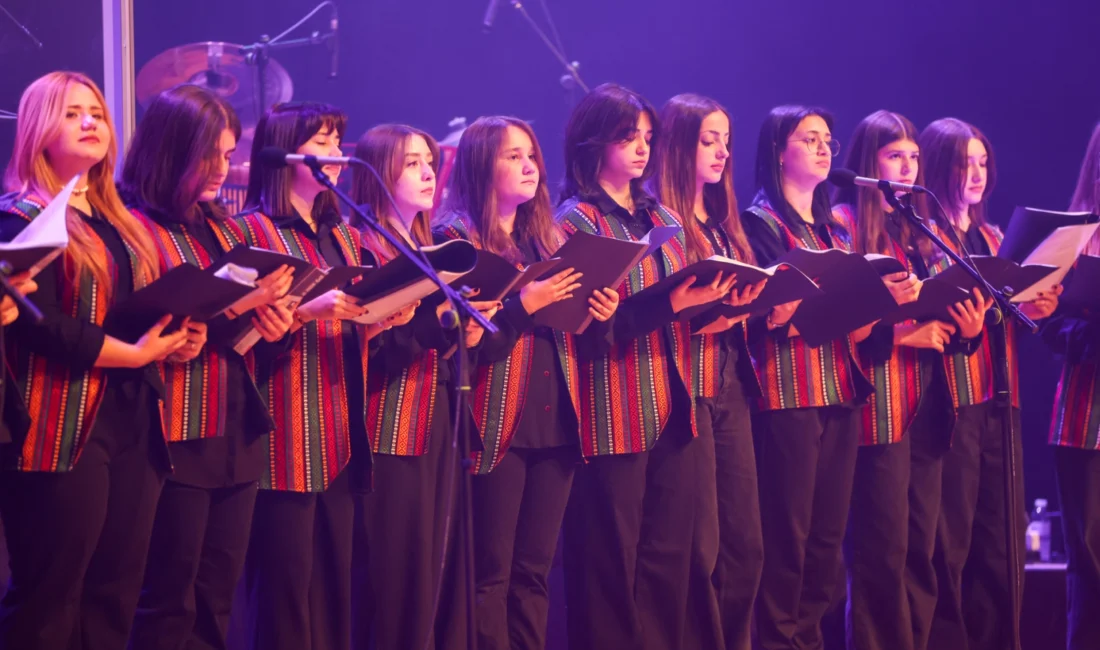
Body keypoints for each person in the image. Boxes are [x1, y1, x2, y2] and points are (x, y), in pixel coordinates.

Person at [0, 70, 189, 649]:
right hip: (60, 424)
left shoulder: (123, 223)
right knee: (51, 596)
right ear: (38, 130)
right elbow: (46, 328)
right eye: (72, 113)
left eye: (98, 114)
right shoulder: (18, 216)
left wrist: (178, 334)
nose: (90, 122)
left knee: (115, 593)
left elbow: (134, 310)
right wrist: (131, 355)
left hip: (133, 418)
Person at [120, 84, 296, 650]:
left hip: (234, 430)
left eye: (227, 154)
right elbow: (130, 323)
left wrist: (267, 328)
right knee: (168, 600)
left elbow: (234, 340)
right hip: (171, 434)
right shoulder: (134, 227)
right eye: (211, 155)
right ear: (171, 149)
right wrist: (234, 308)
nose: (224, 168)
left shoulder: (223, 226)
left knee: (217, 598)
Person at [556, 83, 728, 650]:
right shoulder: (576, 220)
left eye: (648, 138)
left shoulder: (662, 215)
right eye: (628, 137)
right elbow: (589, 327)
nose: (641, 148)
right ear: (593, 141)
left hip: (672, 401)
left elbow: (680, 301)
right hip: (612, 408)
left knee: (670, 557)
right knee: (610, 562)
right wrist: (668, 303)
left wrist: (722, 301)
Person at [831, 110, 986, 650]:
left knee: (922, 551)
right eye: (895, 155)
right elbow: (833, 322)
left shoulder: (925, 227)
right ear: (868, 162)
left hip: (931, 407)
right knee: (881, 555)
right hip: (877, 409)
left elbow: (938, 315)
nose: (907, 165)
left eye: (914, 156)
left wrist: (967, 330)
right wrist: (900, 337)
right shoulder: (845, 223)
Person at [235, 101, 371, 650]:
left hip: (338, 428)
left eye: (338, 140)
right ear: (284, 150)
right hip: (281, 434)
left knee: (335, 590)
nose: (335, 153)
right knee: (284, 596)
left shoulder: (341, 235)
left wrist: (383, 315)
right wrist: (302, 313)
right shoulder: (252, 230)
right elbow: (234, 341)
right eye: (320, 141)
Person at [920, 117, 1060, 650]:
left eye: (983, 163)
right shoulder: (927, 237)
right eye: (964, 163)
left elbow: (1007, 326)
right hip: (951, 404)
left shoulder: (994, 236)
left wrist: (1037, 307)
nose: (977, 174)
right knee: (952, 542)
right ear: (940, 168)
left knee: (1003, 540)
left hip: (1002, 402)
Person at [740, 104, 876, 650]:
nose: (824, 148)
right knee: (787, 538)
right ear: (778, 151)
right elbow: (772, 312)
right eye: (809, 138)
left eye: (828, 139)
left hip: (840, 390)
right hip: (786, 394)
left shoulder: (837, 225)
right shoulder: (757, 223)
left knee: (826, 540)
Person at [650, 93, 764, 650]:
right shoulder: (660, 222)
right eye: (708, 139)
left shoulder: (722, 223)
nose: (721, 151)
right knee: (701, 547)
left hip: (730, 387)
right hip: (683, 390)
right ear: (678, 145)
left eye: (726, 141)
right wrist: (707, 319)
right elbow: (645, 315)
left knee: (746, 545)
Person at [1045, 119, 1100, 650]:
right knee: (1089, 558)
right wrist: (1082, 327)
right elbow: (1043, 318)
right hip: (1086, 418)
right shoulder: (1074, 236)